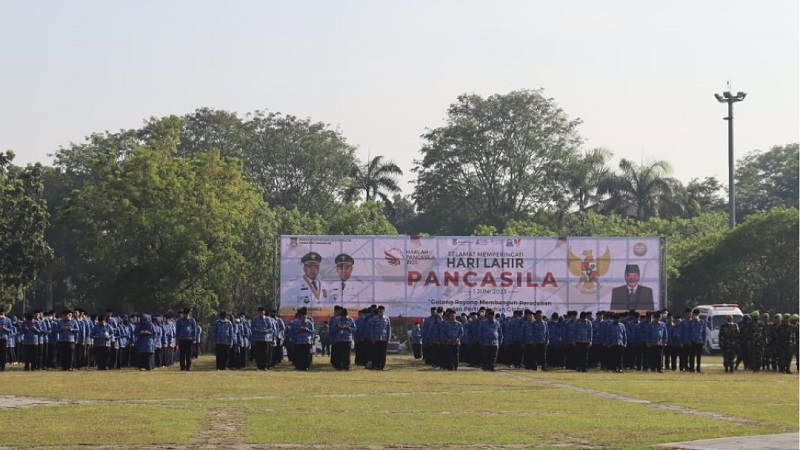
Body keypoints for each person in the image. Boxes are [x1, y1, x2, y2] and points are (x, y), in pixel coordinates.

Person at [250, 307, 275, 371]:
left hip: (266, 338)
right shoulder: (254, 319)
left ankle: (265, 366)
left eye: (262, 312)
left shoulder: (268, 319)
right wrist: (255, 329)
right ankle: (259, 366)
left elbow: (271, 328)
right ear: (258, 312)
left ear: (264, 312)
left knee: (265, 353)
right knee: (258, 353)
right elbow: (251, 328)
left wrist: (267, 330)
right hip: (257, 338)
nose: (260, 313)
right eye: (259, 312)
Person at [367, 305, 391, 370]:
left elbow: (388, 329)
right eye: (380, 311)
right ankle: (377, 366)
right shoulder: (374, 319)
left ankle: (382, 366)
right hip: (376, 339)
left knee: (383, 354)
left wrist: (388, 338)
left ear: (384, 311)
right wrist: (372, 338)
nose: (381, 312)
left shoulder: (387, 319)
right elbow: (371, 329)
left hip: (384, 339)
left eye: (382, 311)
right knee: (376, 353)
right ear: (378, 311)